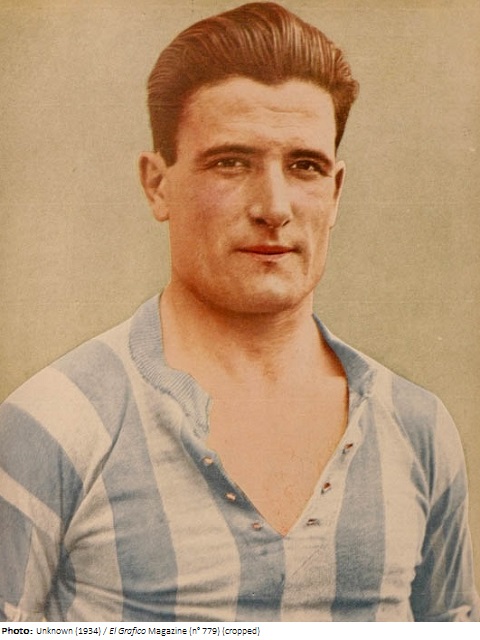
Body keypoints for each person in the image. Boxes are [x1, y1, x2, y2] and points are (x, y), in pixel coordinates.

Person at [0, 1, 478, 623]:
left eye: (304, 166)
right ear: (157, 185)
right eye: (231, 162)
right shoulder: (55, 424)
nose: (274, 207)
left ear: (335, 193)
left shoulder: (417, 429)